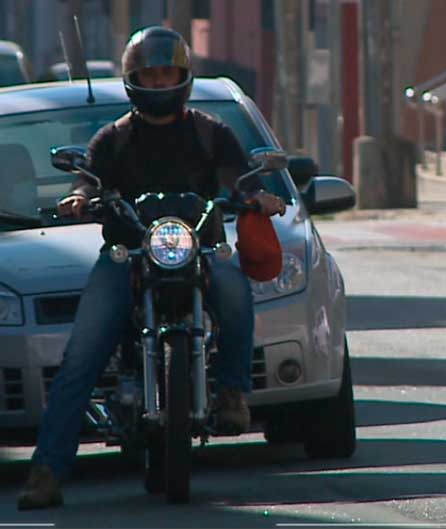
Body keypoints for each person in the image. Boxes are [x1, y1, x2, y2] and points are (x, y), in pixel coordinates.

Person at [17, 26, 285, 510]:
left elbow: (238, 180)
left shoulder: (210, 131)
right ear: (132, 79)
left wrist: (256, 197)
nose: (159, 83)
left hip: (199, 248)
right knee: (82, 354)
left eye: (167, 75)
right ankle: (46, 472)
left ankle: (231, 392)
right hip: (128, 254)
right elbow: (86, 180)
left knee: (235, 291)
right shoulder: (114, 138)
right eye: (150, 75)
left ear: (182, 77)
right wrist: (78, 198)